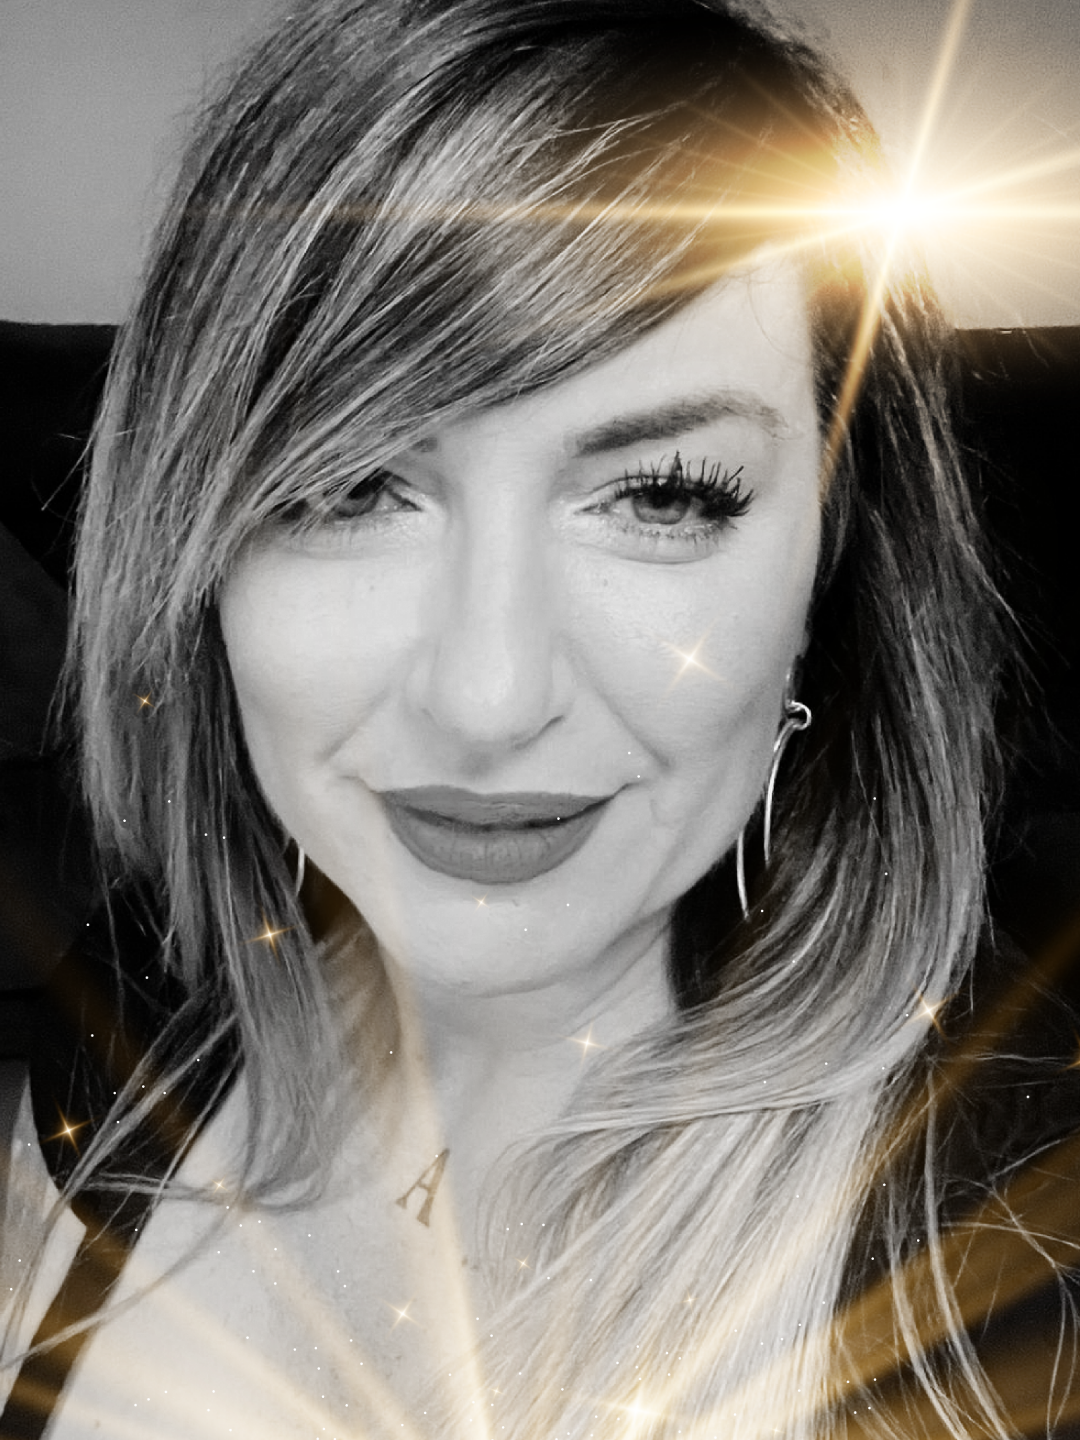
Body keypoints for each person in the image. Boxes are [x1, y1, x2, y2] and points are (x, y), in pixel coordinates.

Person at [3, 1, 1078, 1436]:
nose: (489, 697)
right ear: (194, 547)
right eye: (346, 486)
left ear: (832, 568)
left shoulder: (1018, 1261)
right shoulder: (133, 1014)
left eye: (663, 494)